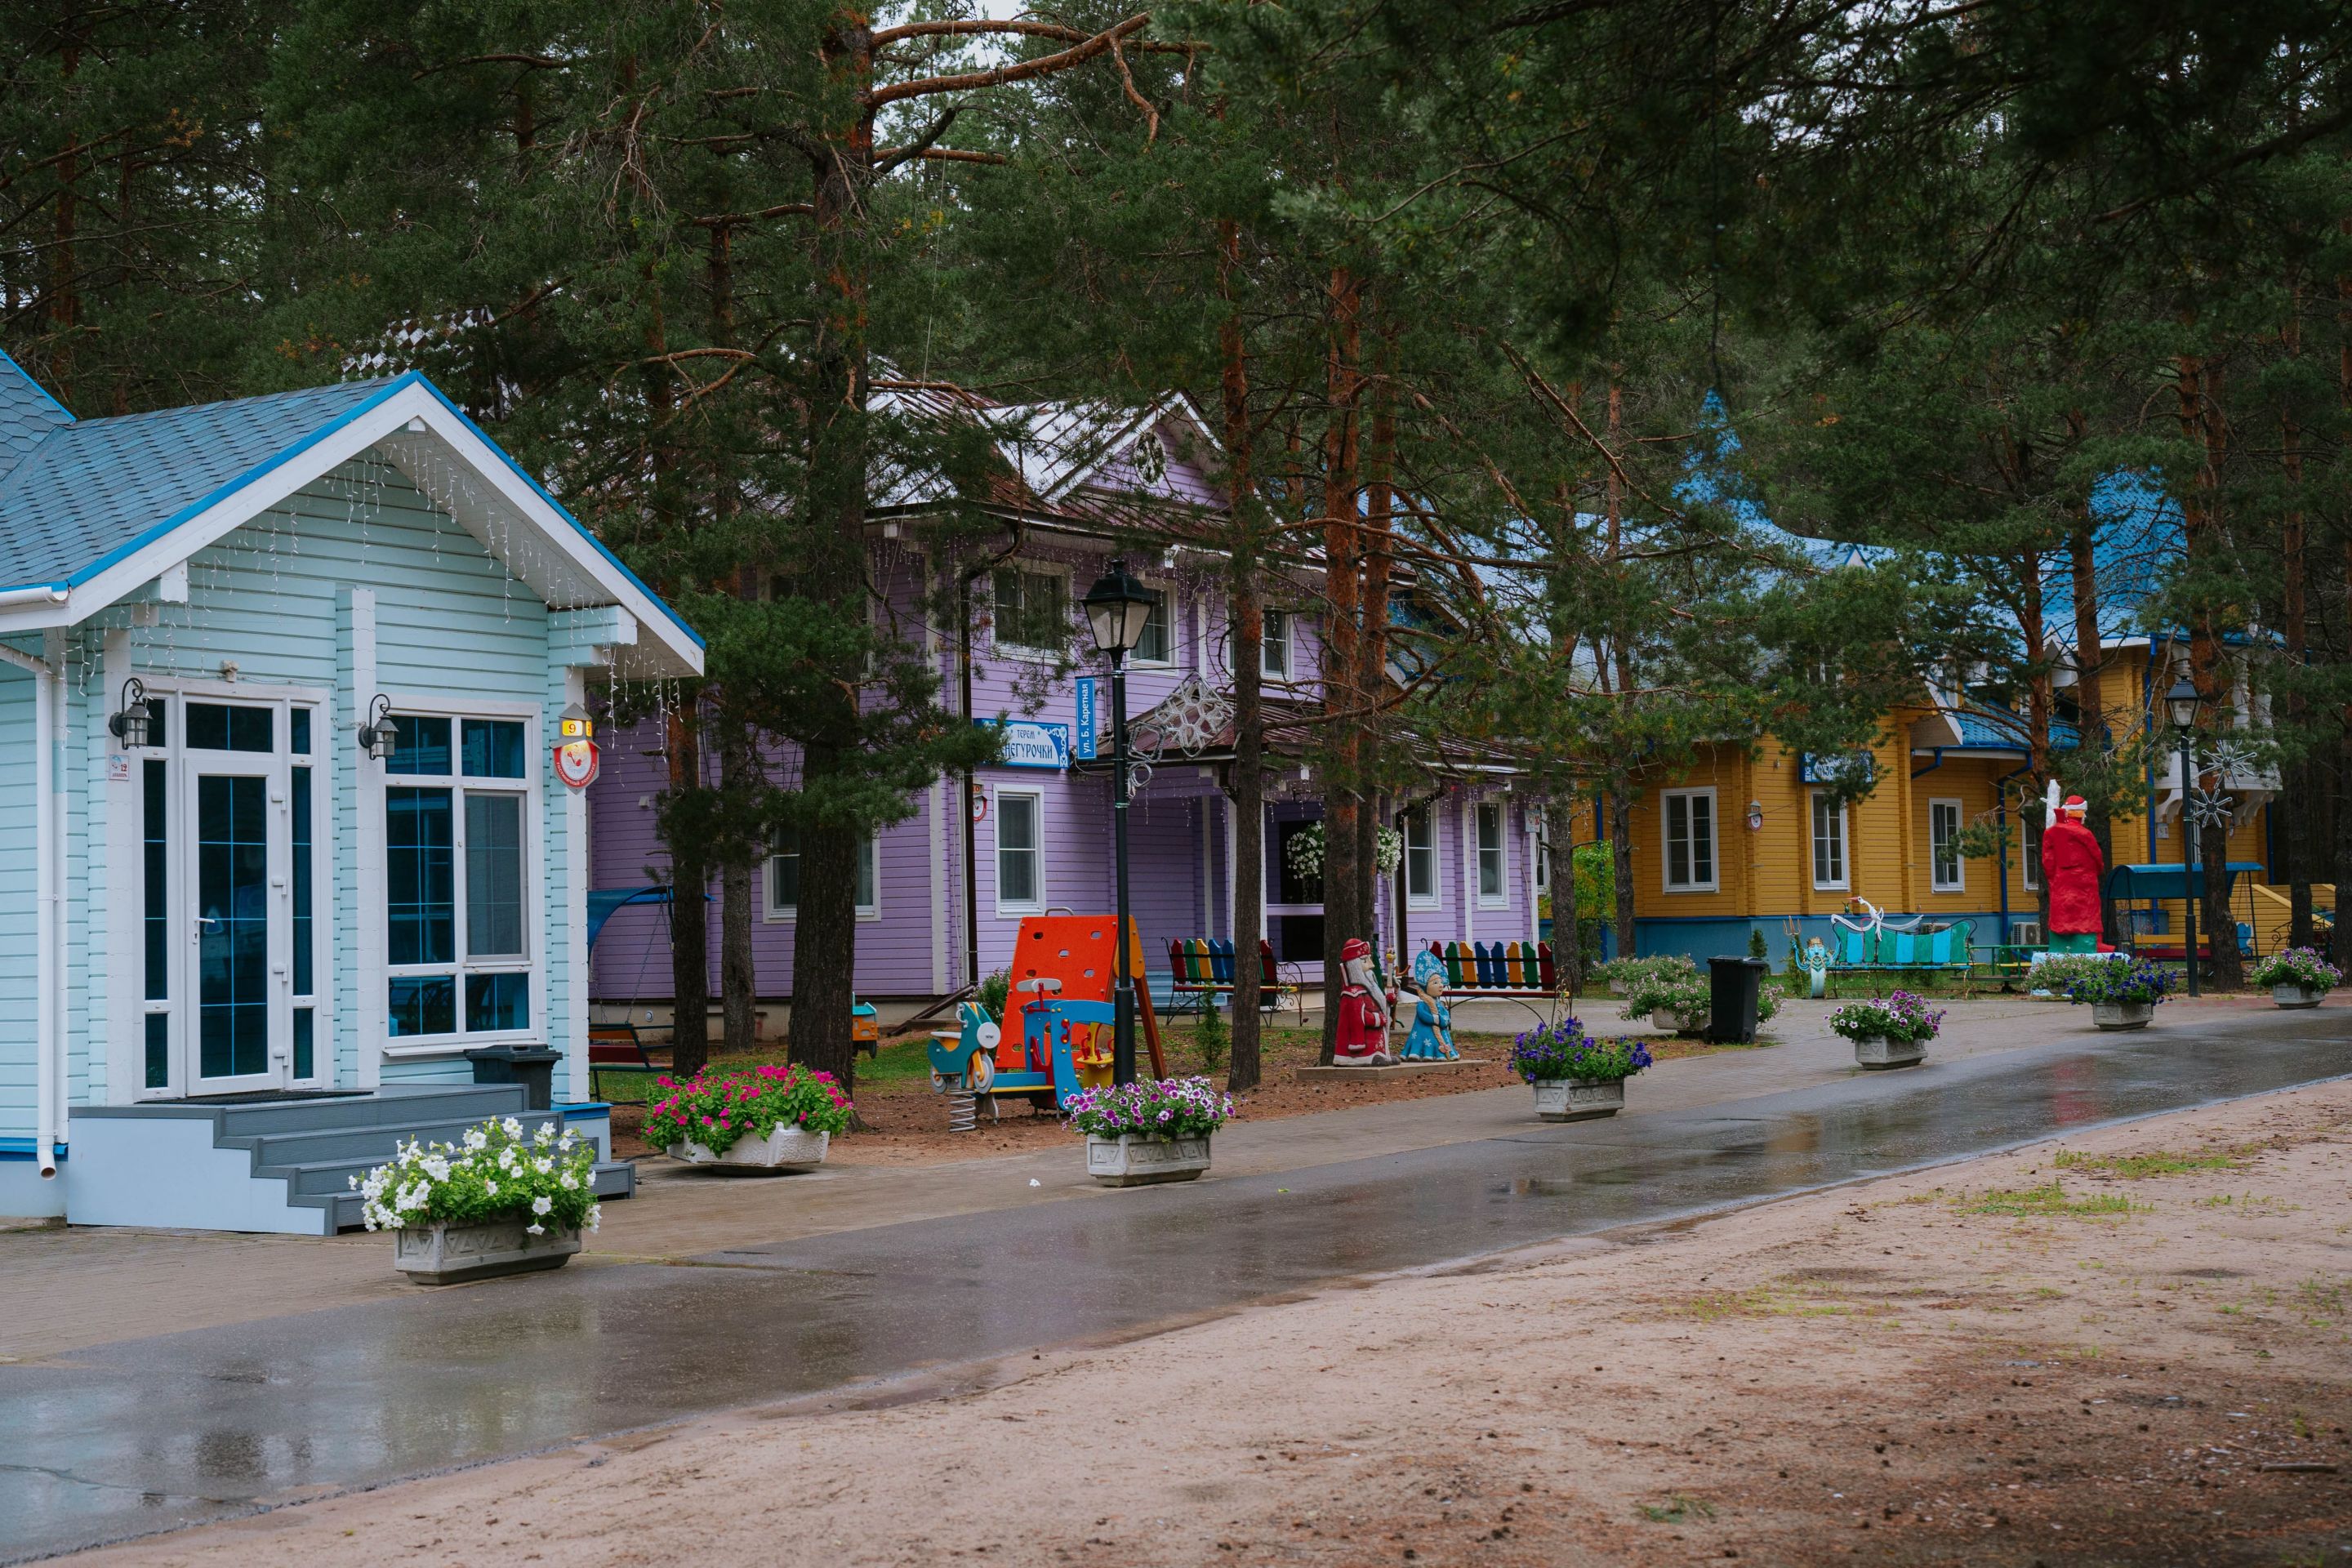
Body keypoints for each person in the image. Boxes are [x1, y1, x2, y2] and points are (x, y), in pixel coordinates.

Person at [2041, 791, 2106, 954]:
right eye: (2084, 812)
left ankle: (2060, 942)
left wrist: (2053, 878)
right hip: (2085, 881)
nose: (2085, 815)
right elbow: (2097, 857)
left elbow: (2047, 860)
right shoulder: (2085, 833)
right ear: (2080, 813)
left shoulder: (2051, 832)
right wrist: (2096, 871)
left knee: (2061, 911)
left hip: (2061, 879)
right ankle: (2090, 943)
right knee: (2087, 912)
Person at [1331, 938, 1397, 1066]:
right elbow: (1358, 1016)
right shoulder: (1353, 993)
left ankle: (1383, 1054)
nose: (1371, 965)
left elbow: (1378, 1004)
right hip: (1362, 1042)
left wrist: (1387, 1001)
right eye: (1365, 961)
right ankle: (1363, 1057)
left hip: (1376, 1037)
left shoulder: (1369, 987)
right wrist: (1378, 1019)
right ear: (1355, 965)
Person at [1400, 948, 1459, 1060]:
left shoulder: (1440, 1004)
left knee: (1443, 1040)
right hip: (1424, 1034)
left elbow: (1446, 1015)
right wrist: (1435, 1019)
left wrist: (1444, 1020)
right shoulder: (1422, 1004)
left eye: (1441, 982)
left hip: (1441, 1034)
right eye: (1435, 983)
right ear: (1425, 987)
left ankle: (1445, 1053)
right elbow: (1423, 1016)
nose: (1441, 985)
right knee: (1428, 1038)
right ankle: (1424, 1053)